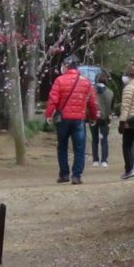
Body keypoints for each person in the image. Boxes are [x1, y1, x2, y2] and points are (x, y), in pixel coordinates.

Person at [44, 55, 99, 185]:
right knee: (79, 148)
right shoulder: (85, 82)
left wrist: (49, 114)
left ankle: (64, 174)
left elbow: (53, 99)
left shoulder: (59, 80)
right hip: (79, 119)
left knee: (62, 146)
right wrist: (93, 117)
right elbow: (92, 102)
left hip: (63, 118)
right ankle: (76, 176)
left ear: (66, 66)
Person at [88, 64, 113, 169]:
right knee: (104, 139)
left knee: (94, 139)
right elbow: (110, 107)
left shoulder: (91, 91)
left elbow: (88, 104)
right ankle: (104, 160)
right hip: (104, 119)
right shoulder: (110, 92)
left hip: (93, 118)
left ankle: (95, 160)